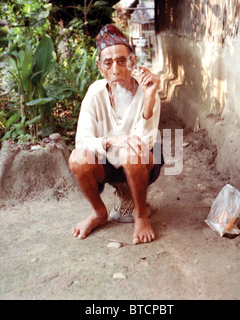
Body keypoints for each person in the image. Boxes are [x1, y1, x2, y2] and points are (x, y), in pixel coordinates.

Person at [69, 24, 162, 245]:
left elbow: (145, 143)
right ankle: (99, 213)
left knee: (131, 153)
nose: (116, 69)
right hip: (107, 164)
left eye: (122, 61)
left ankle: (140, 215)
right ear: (100, 67)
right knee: (77, 158)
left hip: (143, 162)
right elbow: (82, 140)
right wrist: (111, 140)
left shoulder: (147, 90)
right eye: (108, 63)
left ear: (132, 62)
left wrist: (148, 103)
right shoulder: (95, 93)